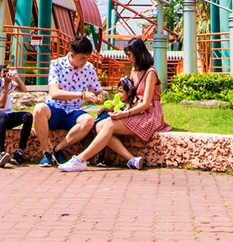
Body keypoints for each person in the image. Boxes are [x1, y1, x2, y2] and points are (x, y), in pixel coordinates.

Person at [59, 37, 166, 172]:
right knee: (99, 125)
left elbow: (145, 103)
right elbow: (130, 97)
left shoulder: (151, 73)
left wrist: (125, 113)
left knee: (109, 124)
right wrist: (113, 108)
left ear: (138, 53)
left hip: (149, 115)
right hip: (135, 110)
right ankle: (132, 159)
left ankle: (80, 159)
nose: (128, 59)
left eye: (129, 55)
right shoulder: (134, 70)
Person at [32, 35, 104, 166]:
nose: (85, 61)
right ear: (72, 55)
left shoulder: (89, 68)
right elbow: (54, 93)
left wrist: (101, 97)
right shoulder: (56, 65)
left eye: (87, 58)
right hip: (55, 108)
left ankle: (58, 149)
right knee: (38, 109)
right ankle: (45, 152)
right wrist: (81, 95)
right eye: (82, 58)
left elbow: (99, 90)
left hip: (74, 111)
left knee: (88, 121)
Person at [0, 59, 32, 168]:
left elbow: (23, 89)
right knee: (2, 115)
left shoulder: (4, 82)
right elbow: (1, 105)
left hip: (9, 116)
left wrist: (16, 77)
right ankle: (0, 153)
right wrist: (6, 87)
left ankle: (19, 152)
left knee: (28, 116)